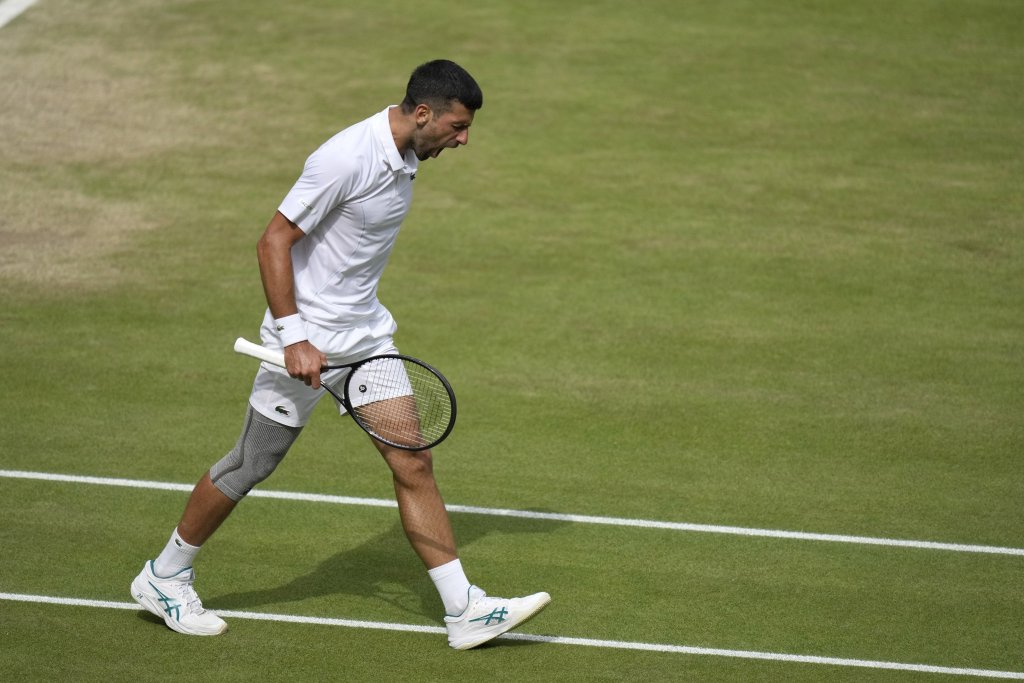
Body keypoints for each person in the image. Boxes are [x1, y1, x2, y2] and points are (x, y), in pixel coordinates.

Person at [130, 59, 550, 650]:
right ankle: (164, 576)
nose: (463, 140)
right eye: (457, 127)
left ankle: (465, 610)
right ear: (422, 113)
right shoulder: (346, 158)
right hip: (303, 343)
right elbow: (273, 240)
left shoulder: (408, 154)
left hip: (365, 341)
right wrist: (294, 336)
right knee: (253, 462)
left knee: (413, 462)